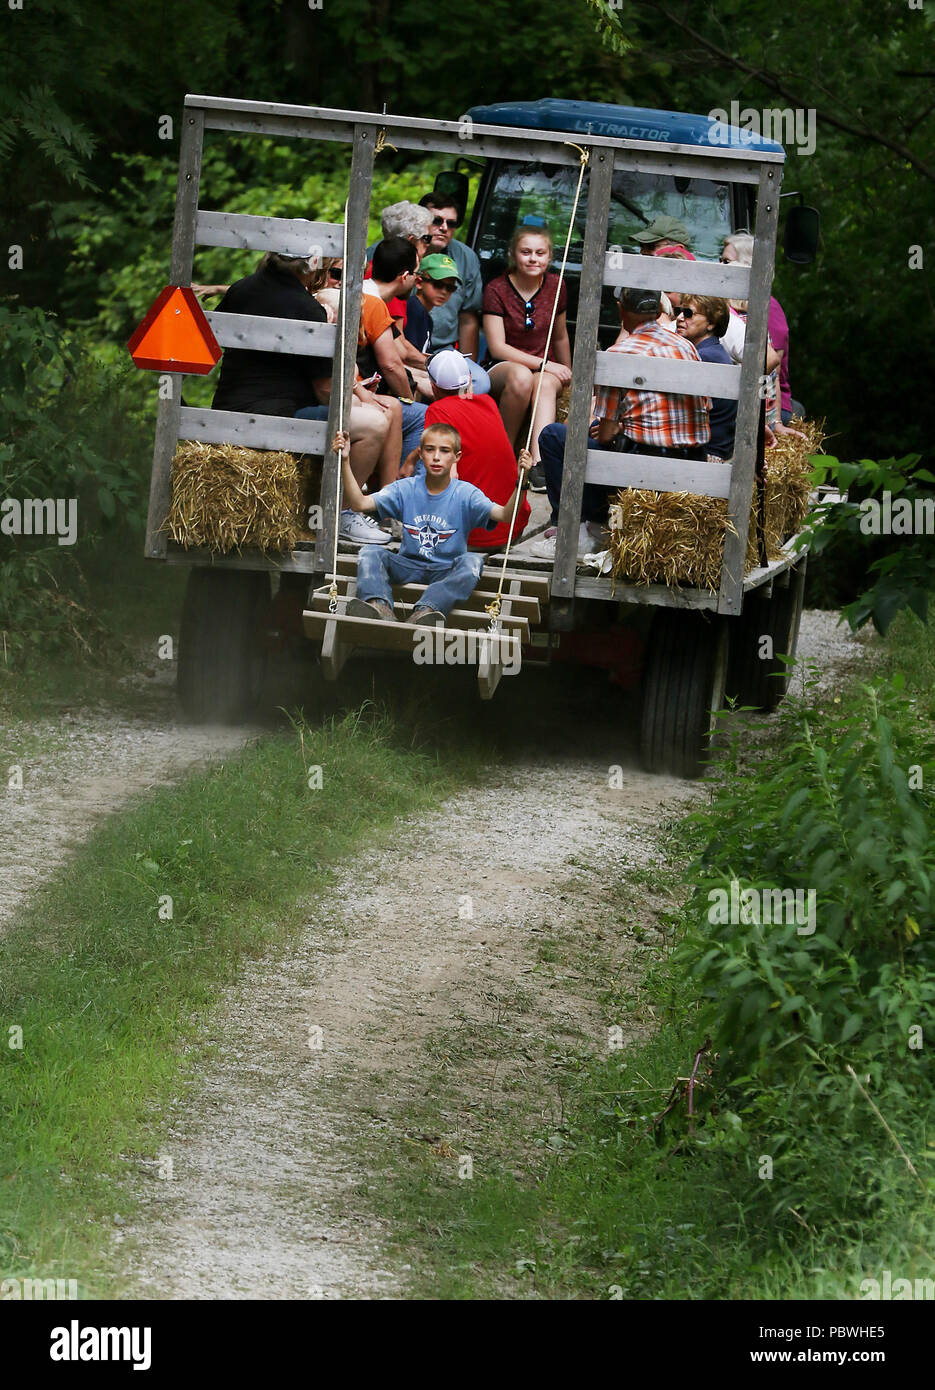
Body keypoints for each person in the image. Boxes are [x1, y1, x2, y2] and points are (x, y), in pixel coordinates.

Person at [212, 252, 392, 547]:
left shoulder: (240, 289)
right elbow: (325, 391)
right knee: (373, 424)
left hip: (227, 412)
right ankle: (340, 515)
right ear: (311, 267)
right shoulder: (307, 307)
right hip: (280, 419)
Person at [529, 286, 710, 561]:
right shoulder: (686, 346)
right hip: (690, 465)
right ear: (660, 311)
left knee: (554, 437)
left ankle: (575, 532)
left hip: (639, 472)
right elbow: (702, 407)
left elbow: (606, 435)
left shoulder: (620, 353)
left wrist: (616, 428)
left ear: (621, 310)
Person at [335, 422, 531, 626]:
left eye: (444, 451)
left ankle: (427, 610)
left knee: (472, 561)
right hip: (408, 565)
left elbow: (505, 514)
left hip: (446, 569)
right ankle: (378, 606)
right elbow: (359, 503)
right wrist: (346, 460)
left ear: (457, 457)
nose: (436, 457)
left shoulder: (466, 493)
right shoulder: (405, 489)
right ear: (420, 454)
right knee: (370, 552)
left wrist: (522, 481)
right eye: (430, 450)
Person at [482, 223, 572, 489]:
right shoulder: (496, 289)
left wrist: (567, 371)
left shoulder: (557, 286)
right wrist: (545, 363)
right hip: (504, 366)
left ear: (549, 257)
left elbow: (560, 335)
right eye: (526, 252)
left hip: (545, 369)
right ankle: (503, 453)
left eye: (540, 253)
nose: (533, 258)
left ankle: (539, 465)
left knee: (544, 382)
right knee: (523, 376)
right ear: (513, 254)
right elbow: (497, 347)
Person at [416, 349, 530, 550]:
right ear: (470, 379)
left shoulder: (437, 411)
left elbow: (447, 477)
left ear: (433, 387)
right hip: (511, 526)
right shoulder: (487, 402)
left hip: (472, 537)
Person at [403, 254, 491, 397]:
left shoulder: (426, 316)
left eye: (450, 288)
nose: (444, 292)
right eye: (438, 284)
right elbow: (407, 357)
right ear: (419, 282)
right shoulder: (414, 308)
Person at [418, 192, 483, 359]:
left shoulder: (467, 258)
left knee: (479, 382)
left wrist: (468, 365)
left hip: (444, 351)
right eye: (436, 220)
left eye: (452, 223)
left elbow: (468, 318)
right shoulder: (393, 251)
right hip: (401, 347)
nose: (444, 228)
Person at [674, 295, 738, 460]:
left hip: (705, 457)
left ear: (711, 323)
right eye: (679, 311)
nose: (680, 317)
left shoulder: (704, 357)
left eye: (689, 313)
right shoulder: (713, 352)